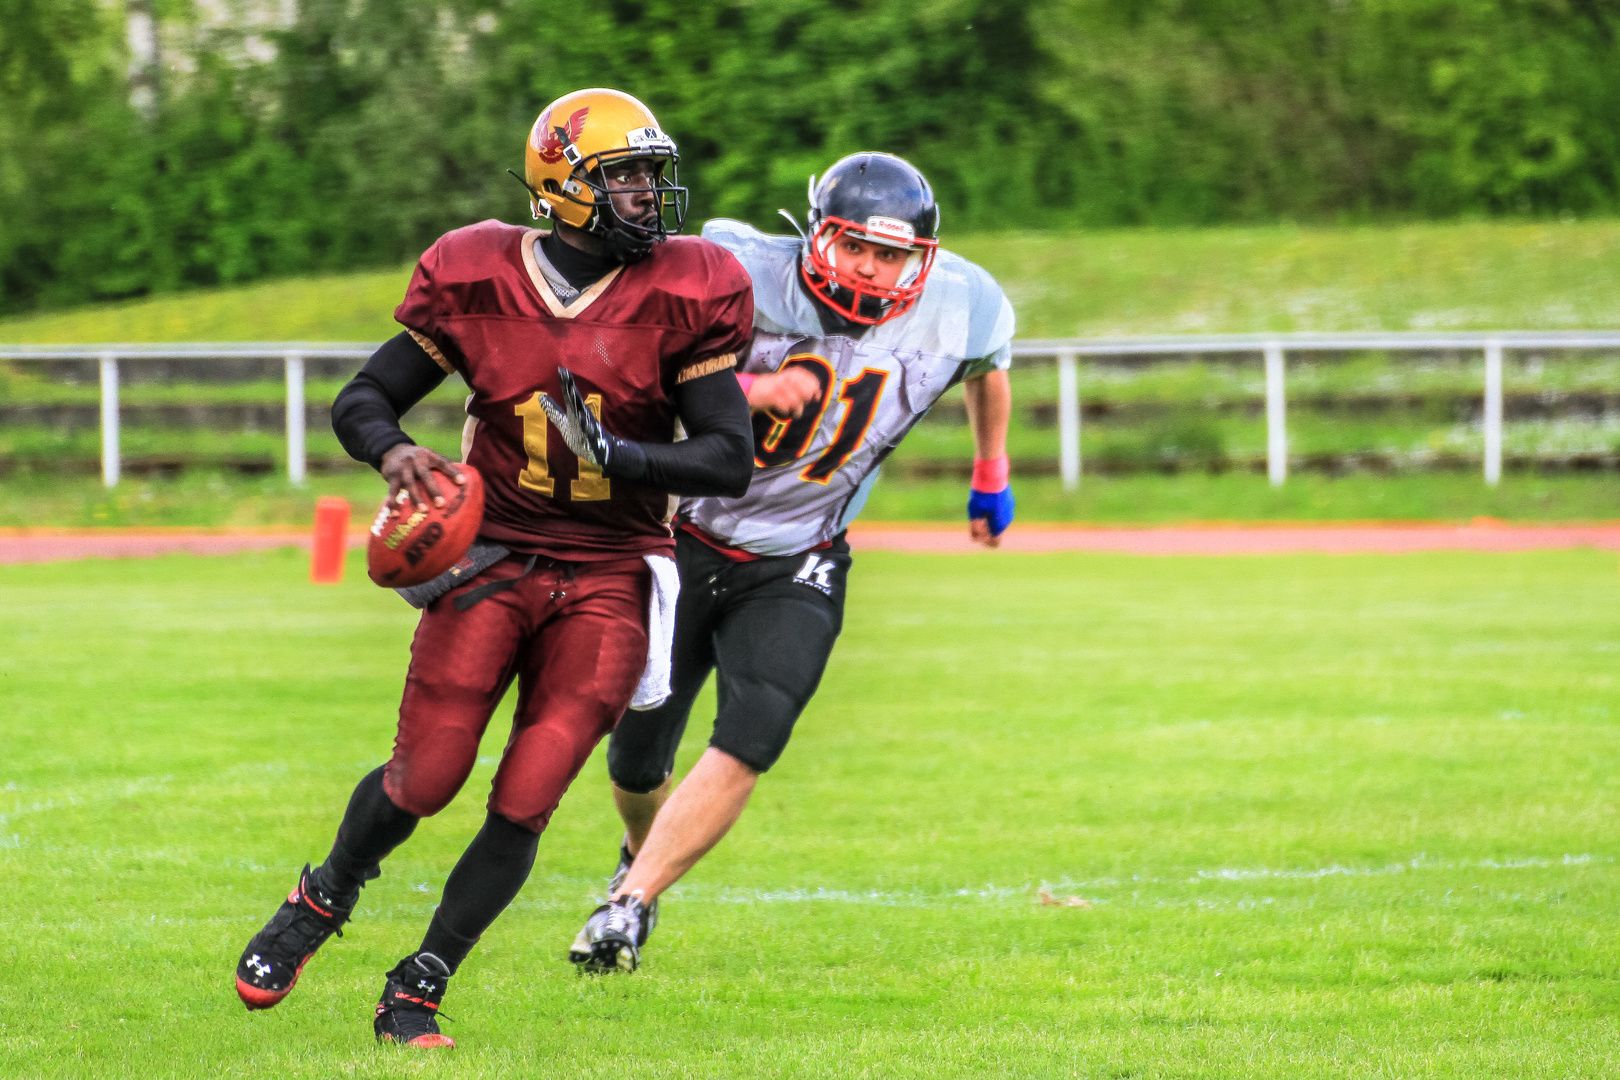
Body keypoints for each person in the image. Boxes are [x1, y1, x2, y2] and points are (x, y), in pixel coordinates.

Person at [231, 87, 756, 1049]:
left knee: (529, 793)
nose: (648, 195)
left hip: (610, 572)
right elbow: (366, 394)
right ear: (560, 186)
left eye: (651, 175)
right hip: (493, 557)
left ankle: (419, 987)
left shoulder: (692, 284)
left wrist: (629, 459)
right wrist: (392, 451)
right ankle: (323, 897)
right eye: (624, 177)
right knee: (425, 776)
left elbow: (730, 454)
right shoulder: (476, 270)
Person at [567, 151, 1016, 972]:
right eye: (855, 248)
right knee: (635, 758)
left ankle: (629, 907)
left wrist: (991, 470)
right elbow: (631, 376)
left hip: (801, 553)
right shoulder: (734, 273)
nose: (872, 271)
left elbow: (988, 370)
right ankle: (640, 852)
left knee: (756, 727)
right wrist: (741, 392)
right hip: (681, 535)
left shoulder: (966, 305)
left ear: (923, 258)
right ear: (816, 238)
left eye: (892, 255)